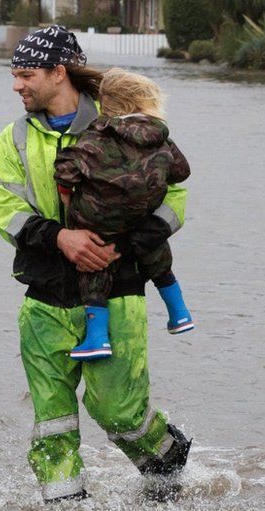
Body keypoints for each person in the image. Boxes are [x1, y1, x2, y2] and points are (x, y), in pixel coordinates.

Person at [0, 25, 192, 503]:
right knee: (52, 420)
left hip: (116, 290)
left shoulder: (126, 123)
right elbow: (0, 206)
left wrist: (136, 240)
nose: (17, 84)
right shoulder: (12, 138)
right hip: (44, 296)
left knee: (117, 411)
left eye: (25, 73)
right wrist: (60, 238)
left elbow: (175, 194)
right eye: (14, 74)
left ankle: (168, 462)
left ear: (59, 73)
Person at [55, 68, 193, 362]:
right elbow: (182, 171)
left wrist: (66, 195)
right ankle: (179, 313)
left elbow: (67, 167)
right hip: (142, 219)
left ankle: (97, 338)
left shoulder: (97, 138)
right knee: (158, 260)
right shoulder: (162, 140)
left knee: (94, 271)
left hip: (99, 221)